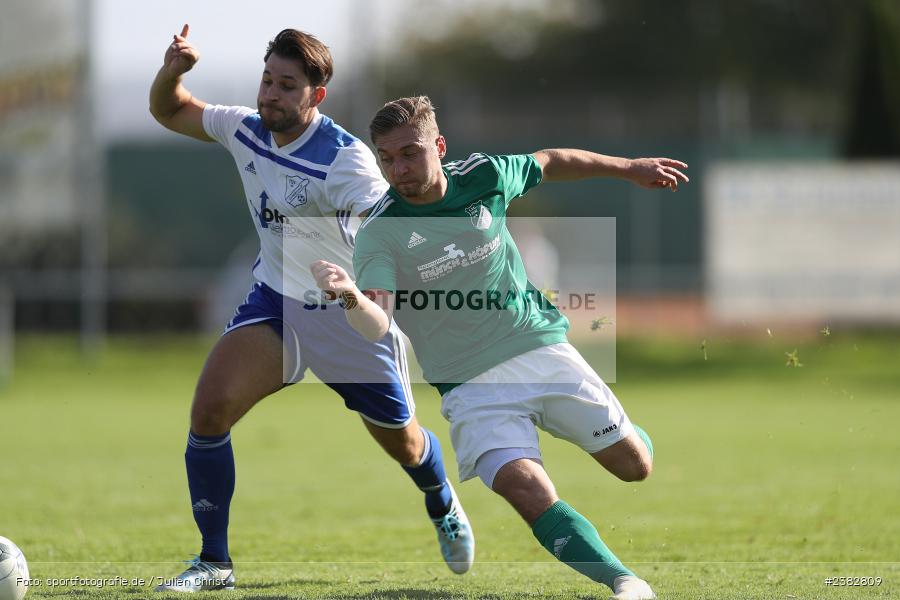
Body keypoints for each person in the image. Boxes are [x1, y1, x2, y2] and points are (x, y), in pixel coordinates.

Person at [311, 96, 689, 600]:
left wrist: (628, 169)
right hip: (469, 388)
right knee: (524, 487)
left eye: (410, 153)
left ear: (439, 147)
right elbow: (378, 324)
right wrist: (351, 297)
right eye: (387, 158)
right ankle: (624, 582)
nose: (398, 169)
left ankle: (626, 431)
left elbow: (551, 161)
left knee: (634, 467)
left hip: (537, 348)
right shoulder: (380, 231)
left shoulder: (484, 176)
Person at [148, 30, 473, 592]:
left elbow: (388, 227)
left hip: (349, 317)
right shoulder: (244, 128)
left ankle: (441, 498)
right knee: (209, 412)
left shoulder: (346, 160)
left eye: (287, 86)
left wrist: (361, 274)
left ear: (315, 97)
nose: (270, 94)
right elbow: (170, 110)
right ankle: (214, 562)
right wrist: (173, 70)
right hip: (275, 303)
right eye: (267, 80)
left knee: (406, 443)